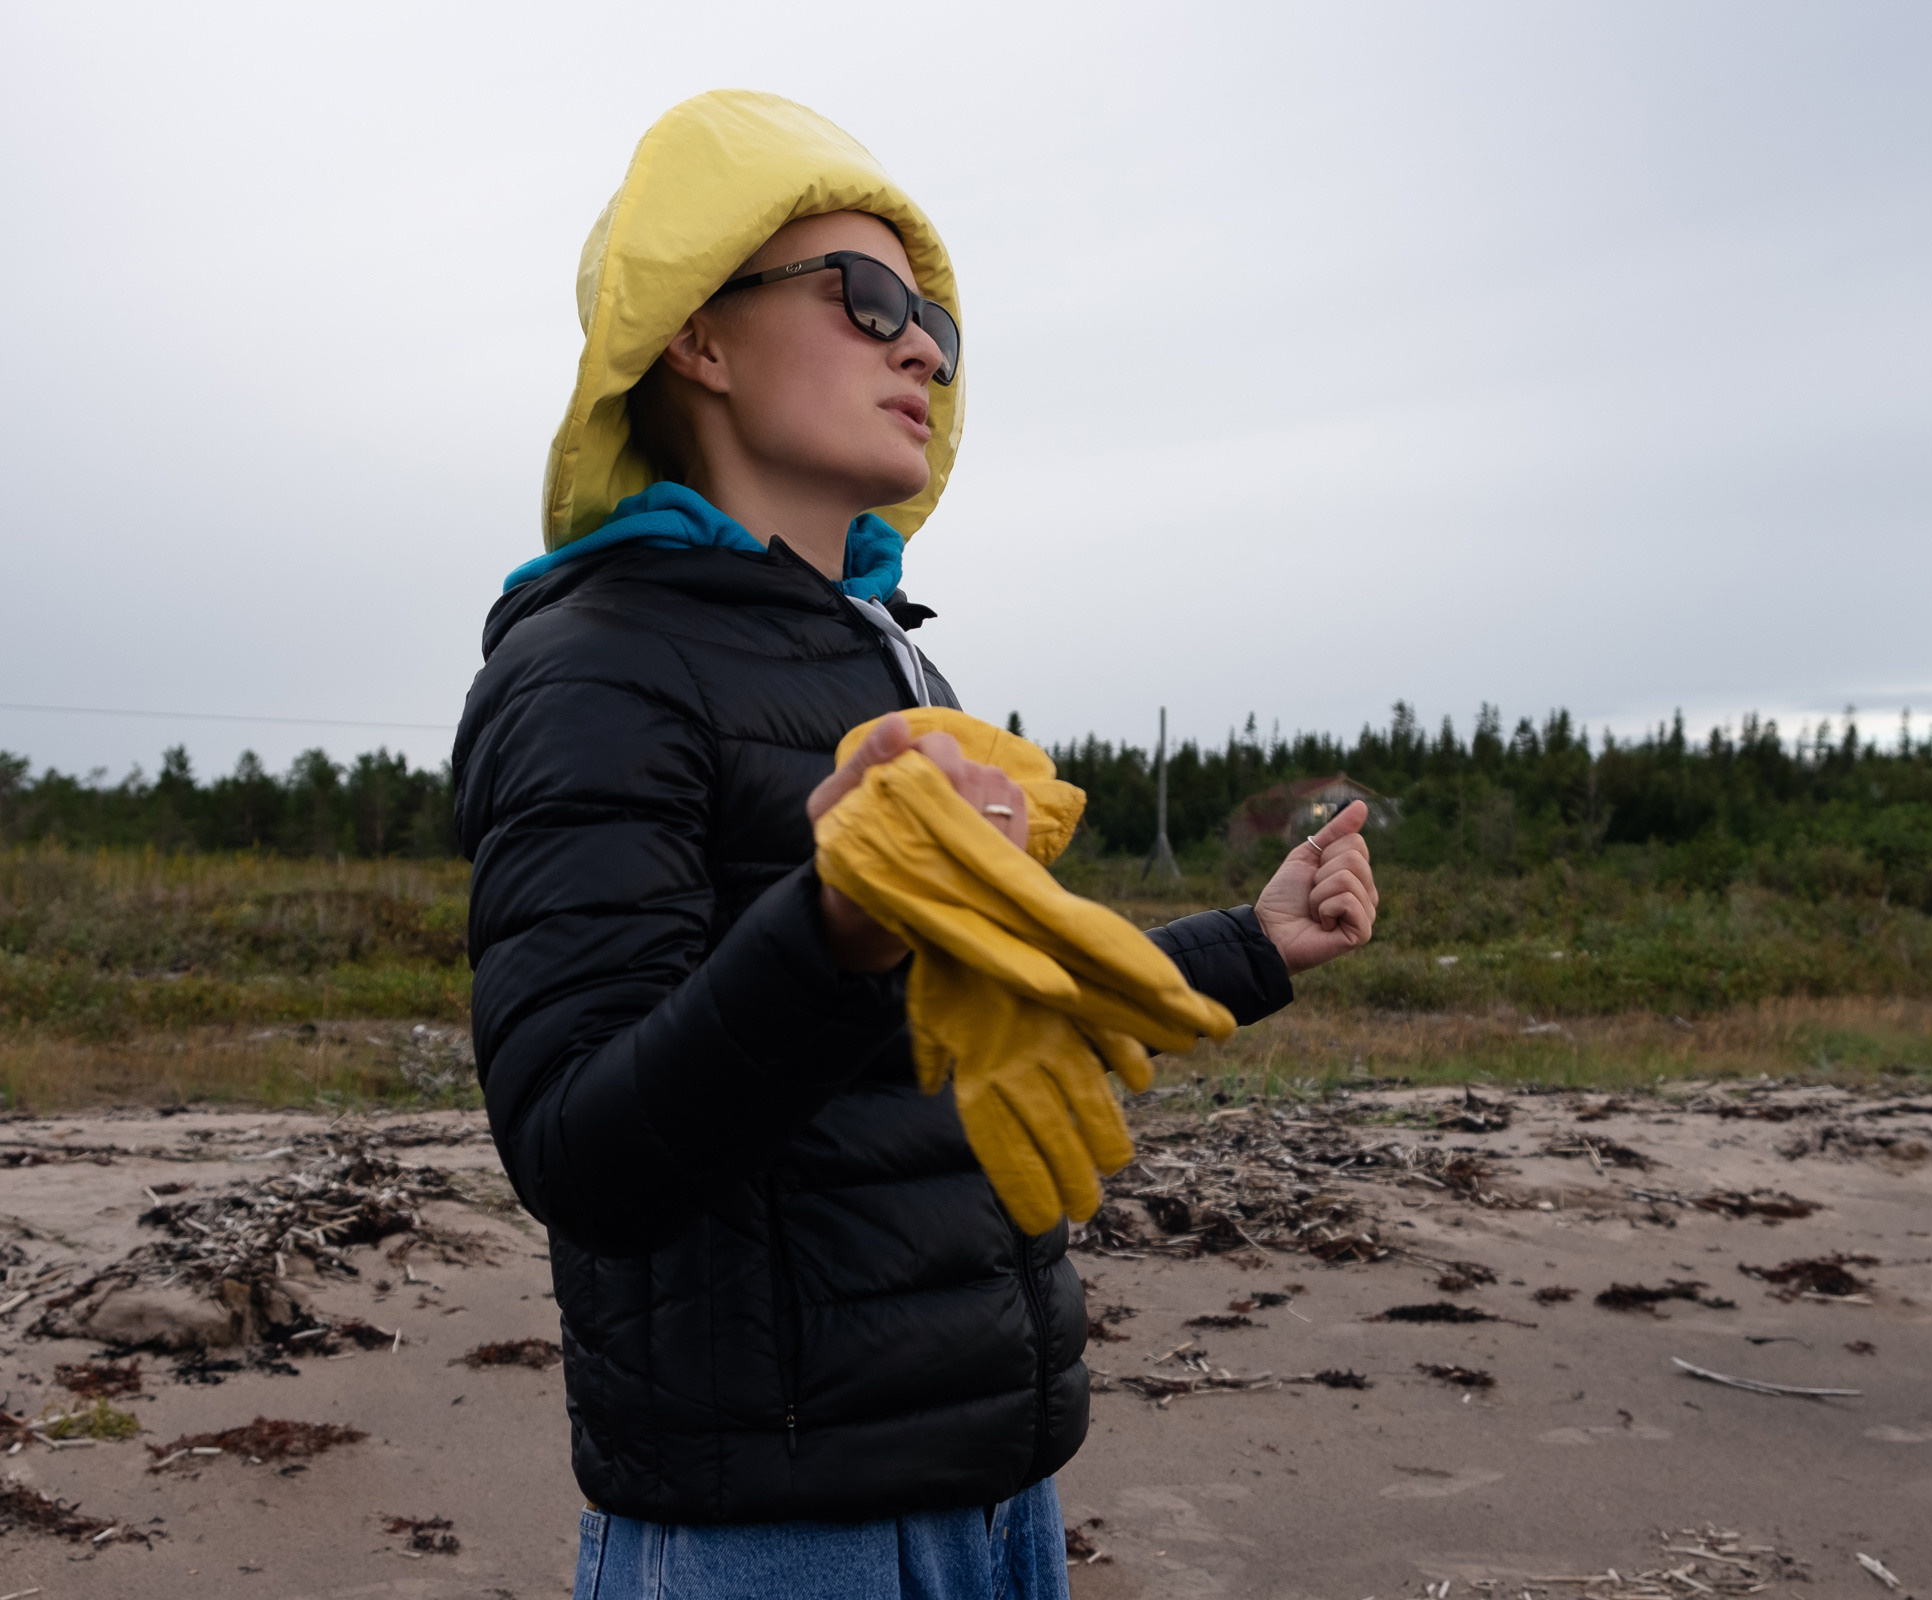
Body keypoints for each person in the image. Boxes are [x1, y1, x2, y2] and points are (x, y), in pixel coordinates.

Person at [452, 91, 1381, 1600]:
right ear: (696, 335)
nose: (925, 349)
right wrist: (834, 925)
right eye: (866, 298)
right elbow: (578, 1146)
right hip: (776, 1525)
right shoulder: (593, 669)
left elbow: (990, 988)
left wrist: (1254, 942)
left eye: (934, 315)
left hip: (995, 1488)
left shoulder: (888, 660)